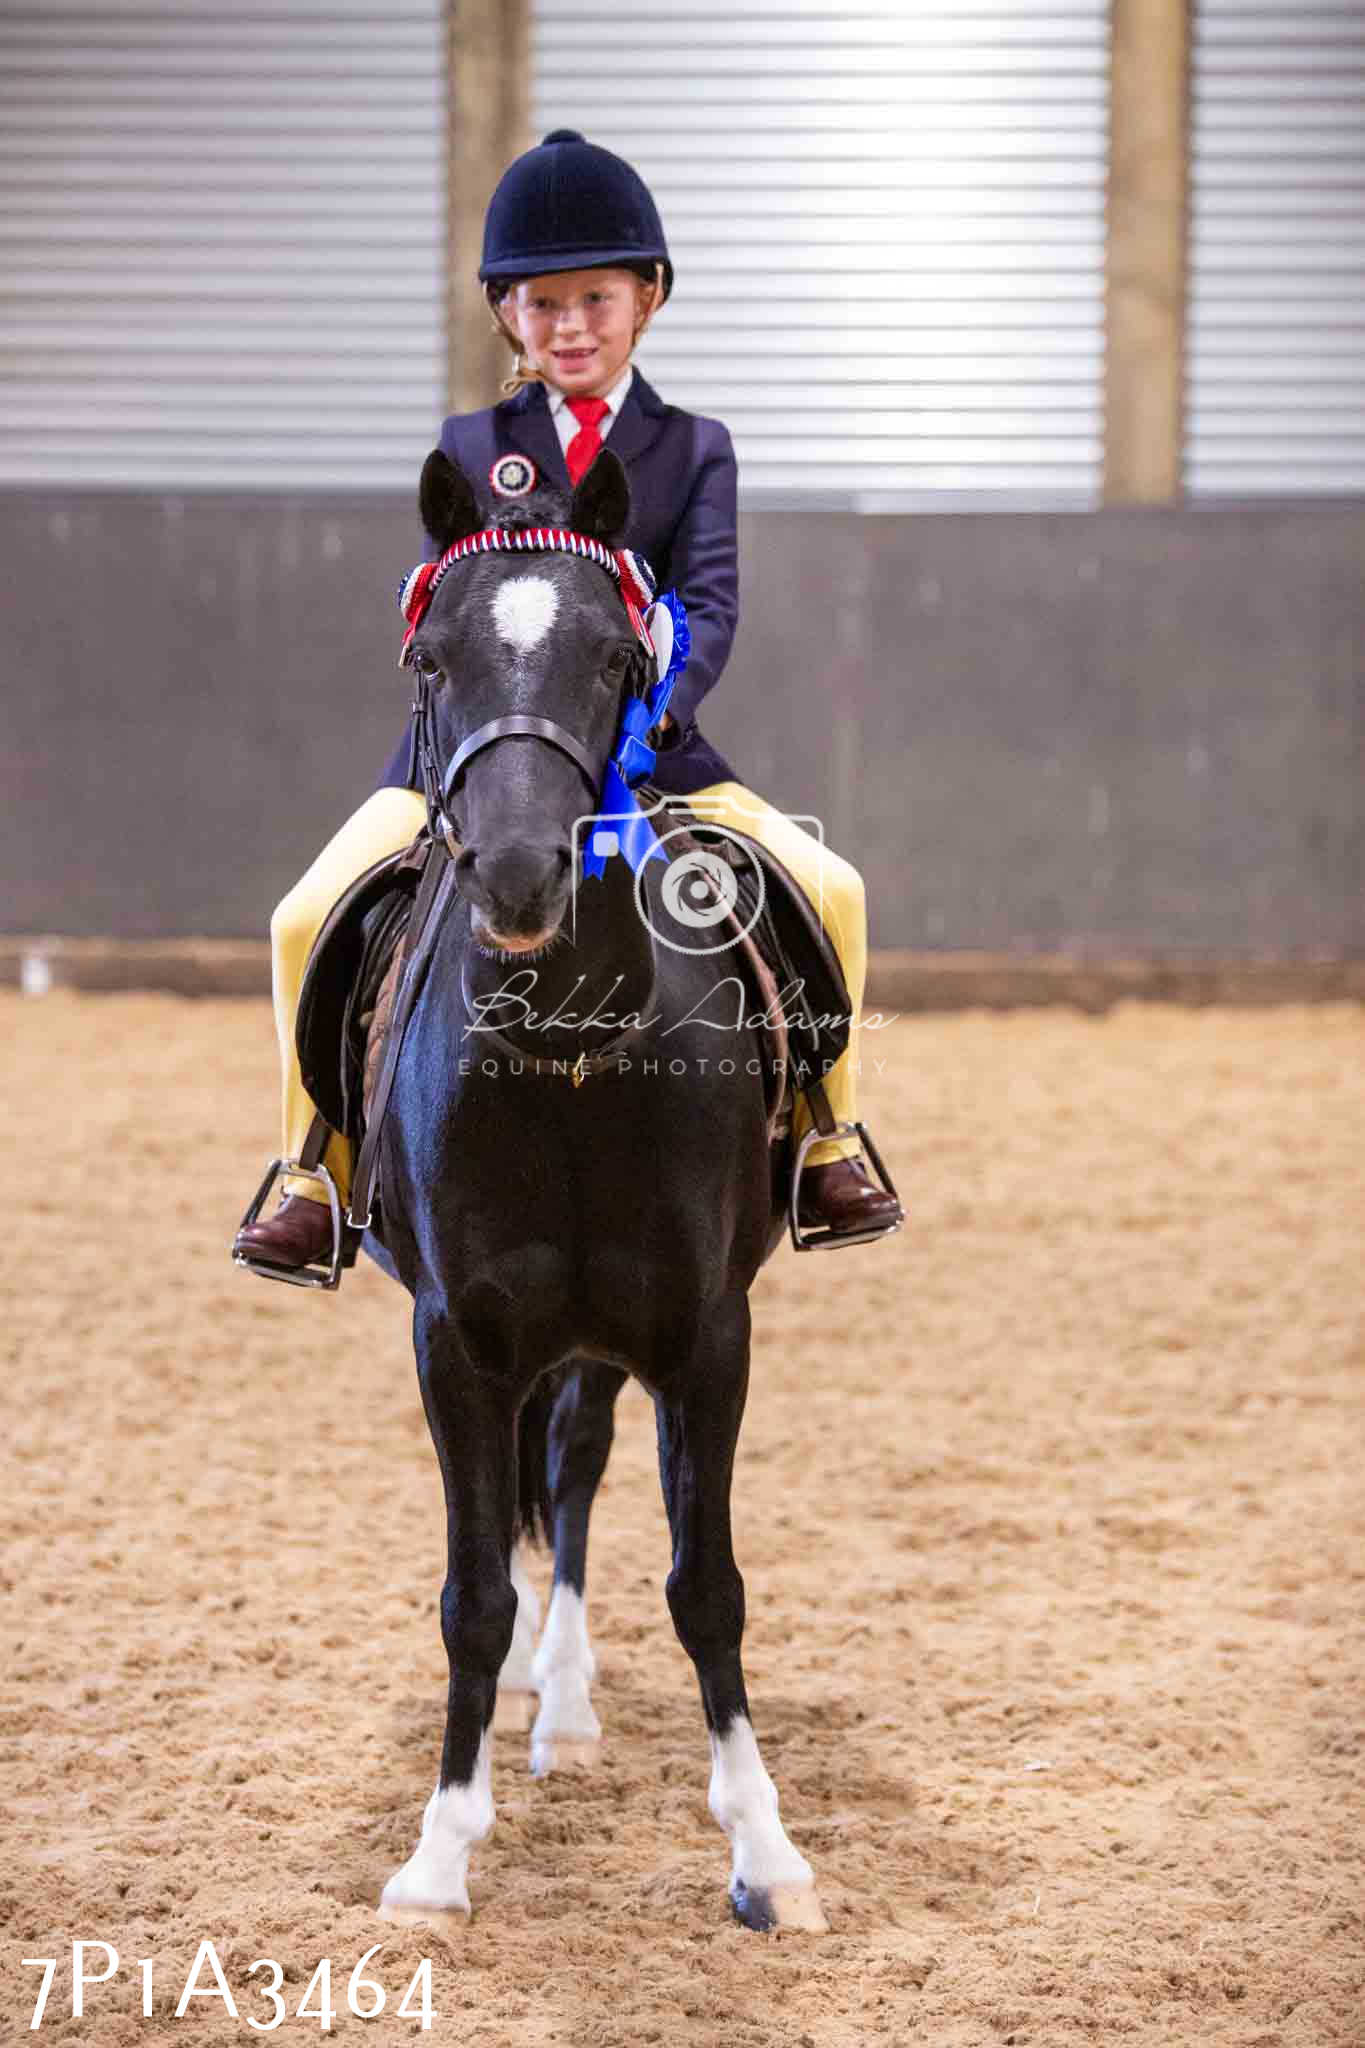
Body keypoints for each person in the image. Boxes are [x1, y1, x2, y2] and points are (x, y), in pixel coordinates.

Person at [234, 129, 900, 1273]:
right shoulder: (472, 447)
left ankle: (825, 1144)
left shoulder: (693, 450)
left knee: (831, 888)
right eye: (543, 304)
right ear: (508, 316)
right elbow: (456, 621)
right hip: (478, 771)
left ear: (646, 299)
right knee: (305, 915)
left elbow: (711, 605)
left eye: (596, 297)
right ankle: (316, 1167)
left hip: (652, 758)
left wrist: (660, 715)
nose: (572, 325)